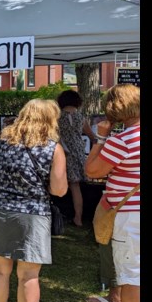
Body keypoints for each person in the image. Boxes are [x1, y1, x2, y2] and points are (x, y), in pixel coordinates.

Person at [0, 99, 67, 302]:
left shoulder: (3, 142)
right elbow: (59, 190)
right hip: (33, 213)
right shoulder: (52, 148)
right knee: (28, 275)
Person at [85, 84, 140, 302]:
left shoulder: (125, 140)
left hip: (131, 218)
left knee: (131, 278)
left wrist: (101, 139)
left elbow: (93, 171)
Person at [56, 90, 97, 227]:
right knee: (76, 186)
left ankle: (60, 212)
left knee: (57, 182)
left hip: (62, 152)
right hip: (78, 152)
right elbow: (92, 137)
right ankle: (78, 217)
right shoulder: (81, 117)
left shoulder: (57, 117)